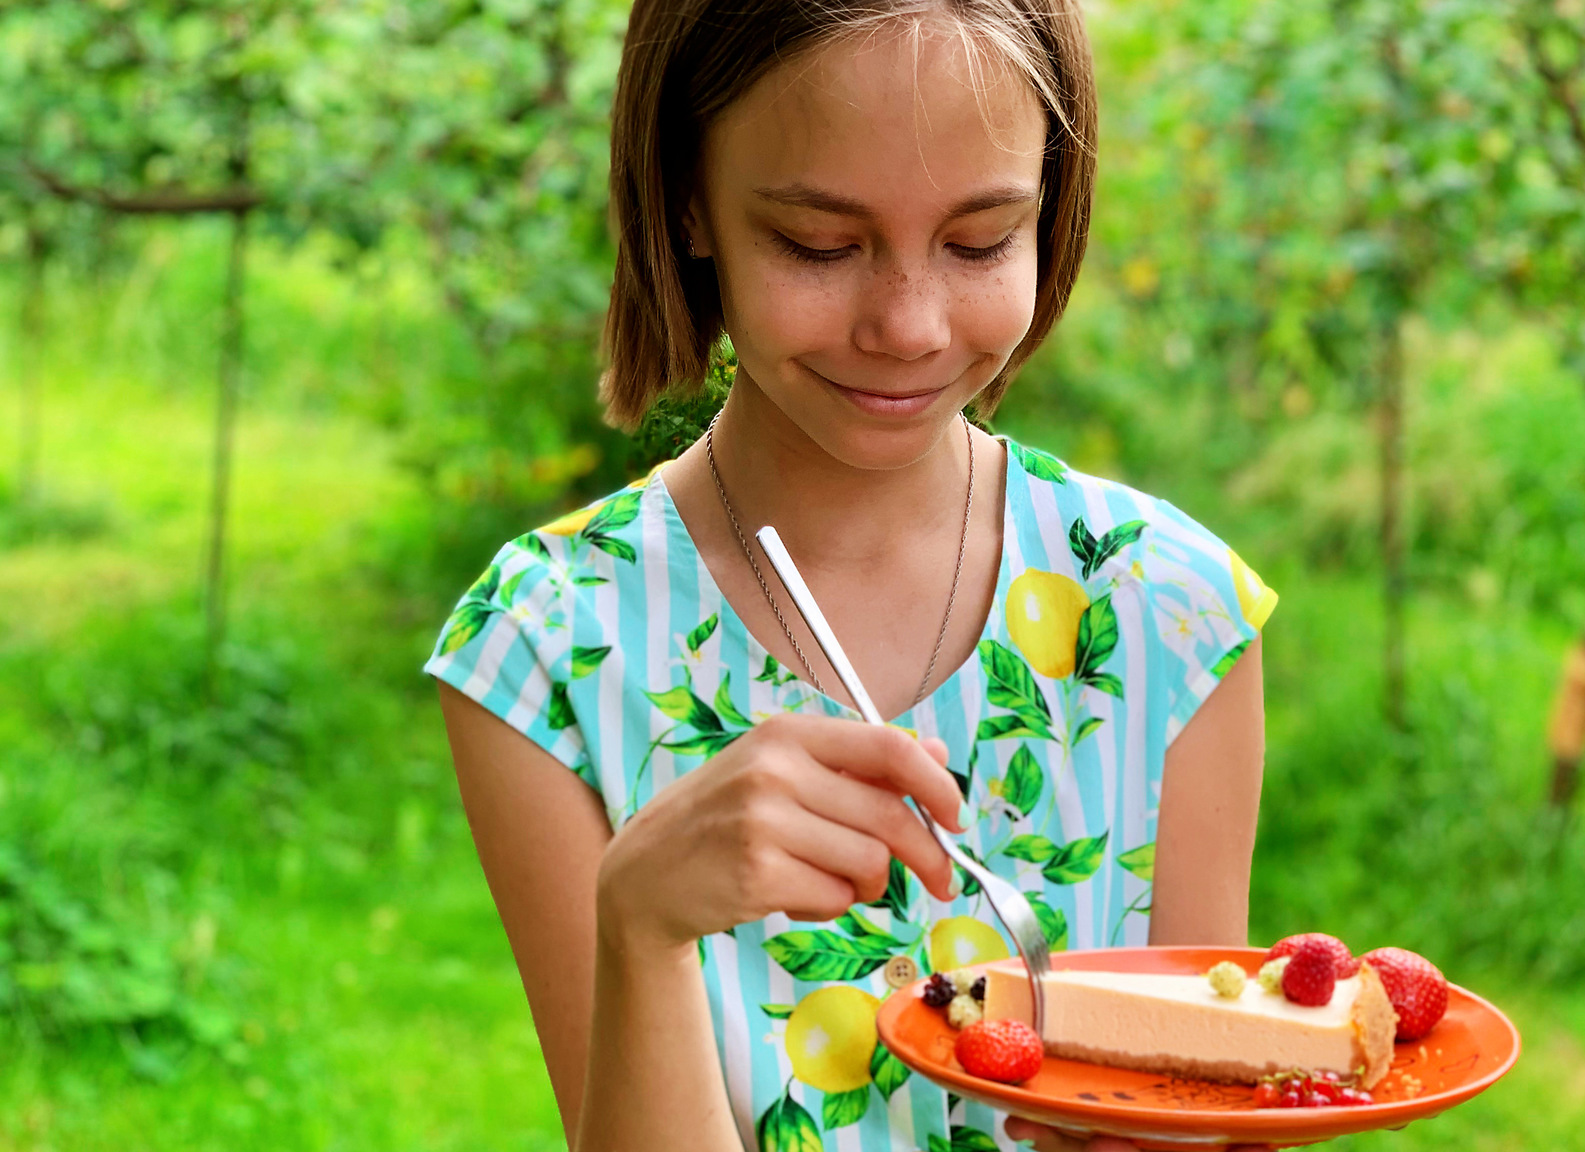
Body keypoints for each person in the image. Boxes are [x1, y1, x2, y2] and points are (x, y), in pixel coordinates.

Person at [425, 2, 1280, 1149]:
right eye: (821, 246)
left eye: (979, 242)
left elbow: (1206, 1105)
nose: (909, 326)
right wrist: (639, 925)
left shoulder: (1169, 611)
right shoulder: (547, 644)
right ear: (688, 199)